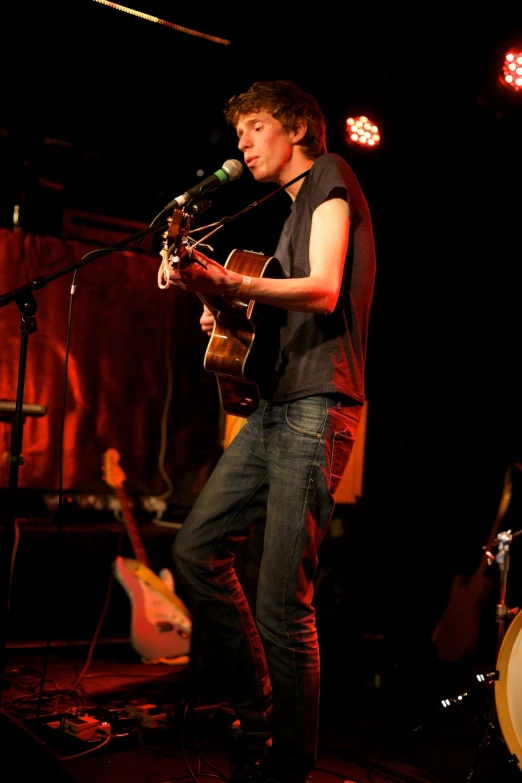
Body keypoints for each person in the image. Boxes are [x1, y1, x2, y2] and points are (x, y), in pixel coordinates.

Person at [169, 79, 376, 783]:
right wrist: (212, 299)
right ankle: (259, 716)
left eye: (254, 127)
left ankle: (286, 764)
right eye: (239, 133)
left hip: (318, 404)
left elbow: (322, 289)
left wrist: (231, 286)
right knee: (197, 549)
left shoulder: (330, 175)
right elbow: (265, 317)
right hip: (276, 402)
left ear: (296, 128)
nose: (242, 143)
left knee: (283, 598)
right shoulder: (285, 215)